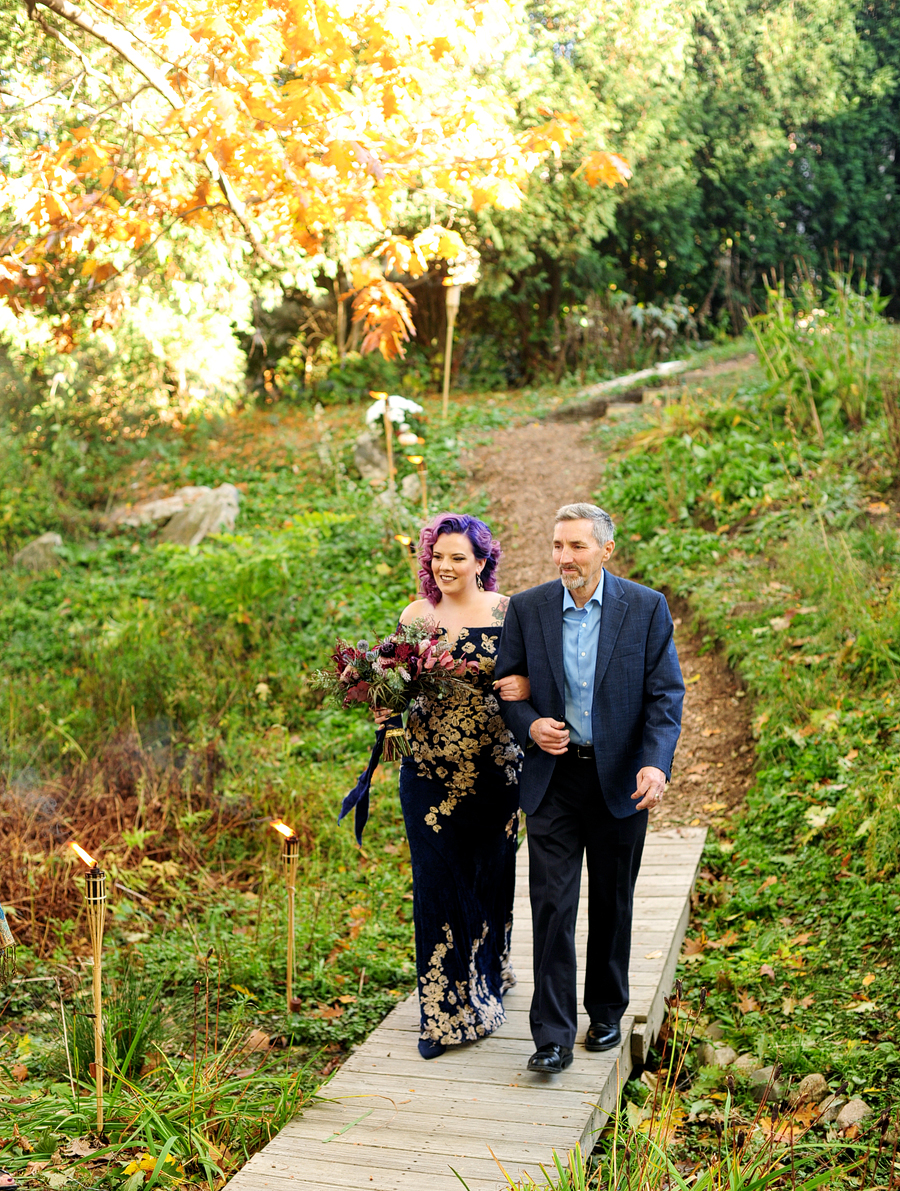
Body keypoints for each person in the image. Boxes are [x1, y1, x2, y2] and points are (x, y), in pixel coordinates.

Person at [495, 503, 684, 1074]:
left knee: (611, 900)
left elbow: (664, 698)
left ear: (606, 549)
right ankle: (551, 1034)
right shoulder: (528, 609)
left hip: (620, 780)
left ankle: (606, 1011)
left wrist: (655, 765)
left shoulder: (646, 609)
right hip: (552, 780)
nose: (564, 558)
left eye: (576, 546)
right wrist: (529, 724)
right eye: (557, 546)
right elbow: (507, 688)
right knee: (552, 905)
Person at [376, 513, 528, 1060]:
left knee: (487, 880)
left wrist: (524, 684)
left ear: (482, 562)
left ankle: (490, 973)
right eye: (437, 556)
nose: (444, 566)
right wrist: (383, 703)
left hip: (493, 769)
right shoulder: (416, 615)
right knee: (436, 885)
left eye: (457, 557)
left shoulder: (508, 611)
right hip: (428, 773)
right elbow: (401, 686)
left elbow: (534, 679)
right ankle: (442, 1014)